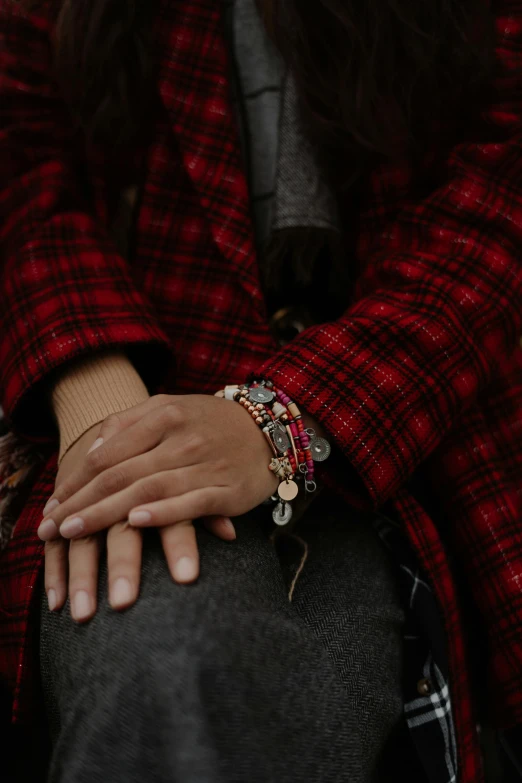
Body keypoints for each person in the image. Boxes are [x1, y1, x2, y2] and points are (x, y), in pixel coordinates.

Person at [0, 0, 521, 780]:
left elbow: (493, 214)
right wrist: (102, 413)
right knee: (161, 654)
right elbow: (20, 158)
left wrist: (283, 421)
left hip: (409, 432)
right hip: (137, 391)